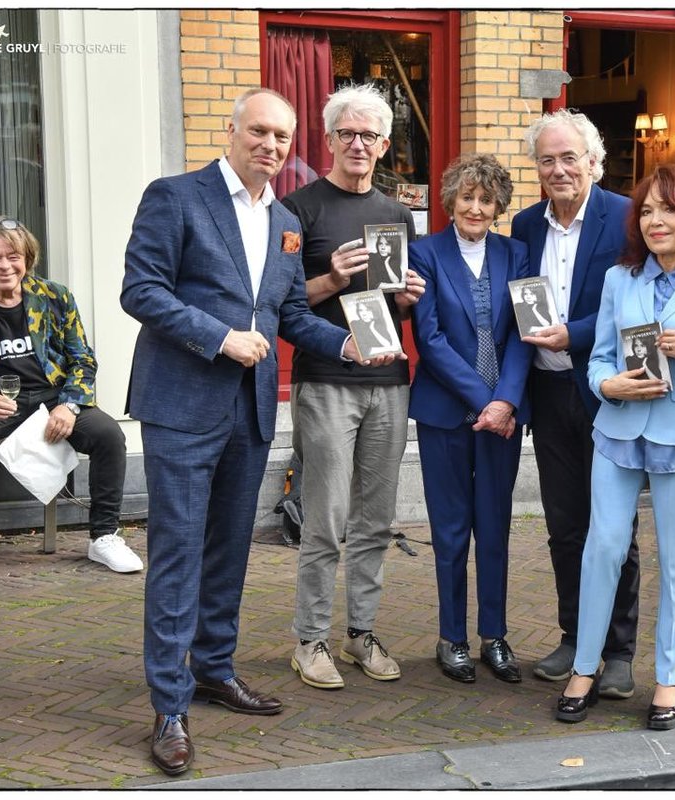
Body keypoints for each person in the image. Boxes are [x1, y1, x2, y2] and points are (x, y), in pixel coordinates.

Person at [122, 88, 380, 776]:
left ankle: (212, 667)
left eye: (283, 137)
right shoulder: (175, 196)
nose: (271, 145)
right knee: (177, 553)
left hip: (251, 411)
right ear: (232, 131)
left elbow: (290, 312)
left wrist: (345, 347)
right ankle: (169, 703)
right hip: (181, 404)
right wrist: (221, 338)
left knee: (230, 548)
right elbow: (141, 290)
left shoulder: (287, 220)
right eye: (260, 132)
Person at [554, 164, 675, 730]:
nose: (656, 220)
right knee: (602, 549)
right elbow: (600, 359)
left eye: (669, 209)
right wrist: (605, 384)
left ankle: (668, 678)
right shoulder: (621, 279)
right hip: (618, 430)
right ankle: (585, 668)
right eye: (646, 211)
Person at [279, 83, 425, 692]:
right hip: (329, 383)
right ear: (330, 140)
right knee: (326, 517)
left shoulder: (396, 214)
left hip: (389, 381)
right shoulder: (297, 209)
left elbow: (393, 310)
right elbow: (284, 307)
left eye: (370, 135)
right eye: (348, 134)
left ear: (385, 144)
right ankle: (309, 640)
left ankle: (360, 631)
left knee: (375, 518)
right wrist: (329, 278)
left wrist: (411, 302)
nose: (359, 144)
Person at [510, 110, 641, 699]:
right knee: (564, 527)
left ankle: (616, 652)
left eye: (570, 158)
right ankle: (574, 636)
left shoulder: (626, 217)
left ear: (594, 160)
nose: (559, 169)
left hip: (604, 392)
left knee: (614, 529)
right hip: (547, 390)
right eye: (547, 160)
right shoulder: (525, 224)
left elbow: (637, 304)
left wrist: (576, 334)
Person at [0, 218, 140, 579]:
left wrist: (69, 404)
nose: (5, 266)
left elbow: (82, 360)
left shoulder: (55, 297)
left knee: (108, 435)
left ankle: (104, 536)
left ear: (28, 259)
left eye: (14, 256)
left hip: (51, 397)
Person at [408, 154, 534, 684]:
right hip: (445, 414)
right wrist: (485, 399)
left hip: (503, 417)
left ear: (500, 205)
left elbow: (526, 333)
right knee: (452, 530)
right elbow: (429, 339)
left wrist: (505, 402)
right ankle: (452, 637)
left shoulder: (519, 254)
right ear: (451, 202)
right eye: (467, 198)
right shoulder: (425, 253)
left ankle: (495, 636)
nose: (476, 207)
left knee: (495, 527)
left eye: (487, 199)